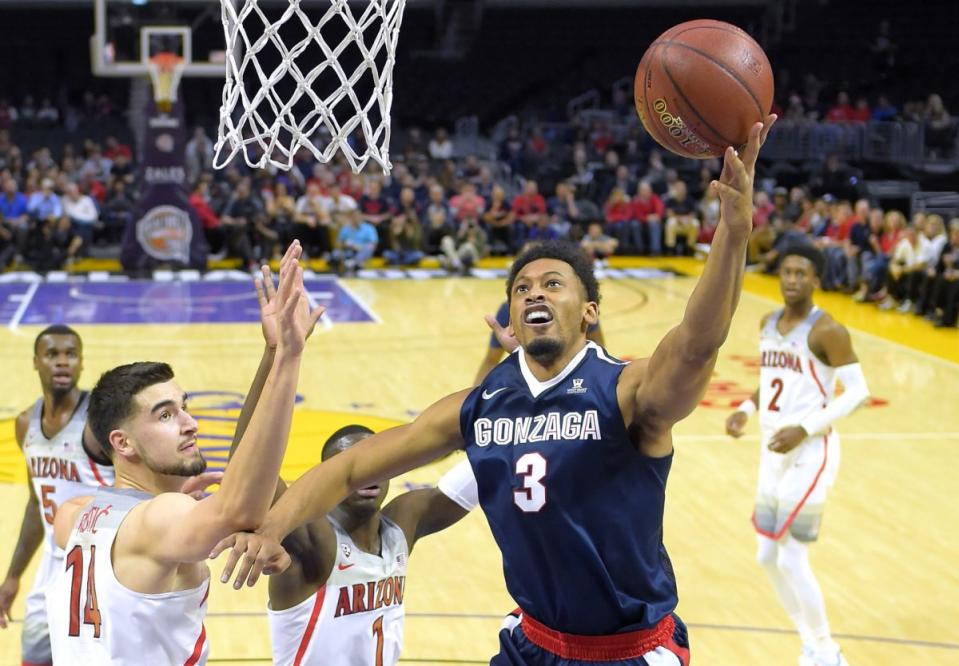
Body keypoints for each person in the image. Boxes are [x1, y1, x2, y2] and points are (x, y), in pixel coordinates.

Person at [219, 118, 776, 665]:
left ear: (589, 311)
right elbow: (349, 468)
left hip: (624, 652)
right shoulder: (481, 405)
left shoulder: (625, 390)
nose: (535, 292)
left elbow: (697, 346)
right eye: (522, 287)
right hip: (532, 642)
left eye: (553, 283)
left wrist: (732, 231)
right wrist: (274, 526)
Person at [43, 243, 322, 664]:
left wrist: (269, 354)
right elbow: (240, 509)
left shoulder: (74, 514)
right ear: (122, 443)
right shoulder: (161, 518)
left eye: (184, 407)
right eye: (165, 415)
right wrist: (288, 357)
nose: (190, 423)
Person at [725, 245, 870, 666]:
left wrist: (805, 427)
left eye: (800, 273)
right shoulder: (767, 322)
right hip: (772, 448)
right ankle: (810, 640)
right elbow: (772, 380)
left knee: (791, 556)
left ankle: (827, 651)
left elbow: (859, 392)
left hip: (811, 449)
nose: (791, 279)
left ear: (816, 280)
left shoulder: (828, 330)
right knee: (766, 556)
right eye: (786, 272)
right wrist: (745, 409)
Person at [0, 325, 115, 666]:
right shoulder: (26, 424)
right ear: (36, 362)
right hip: (53, 562)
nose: (62, 362)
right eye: (52, 354)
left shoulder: (97, 420)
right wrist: (13, 576)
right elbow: (37, 505)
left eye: (71, 354)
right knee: (33, 657)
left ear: (81, 363)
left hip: (101, 563)